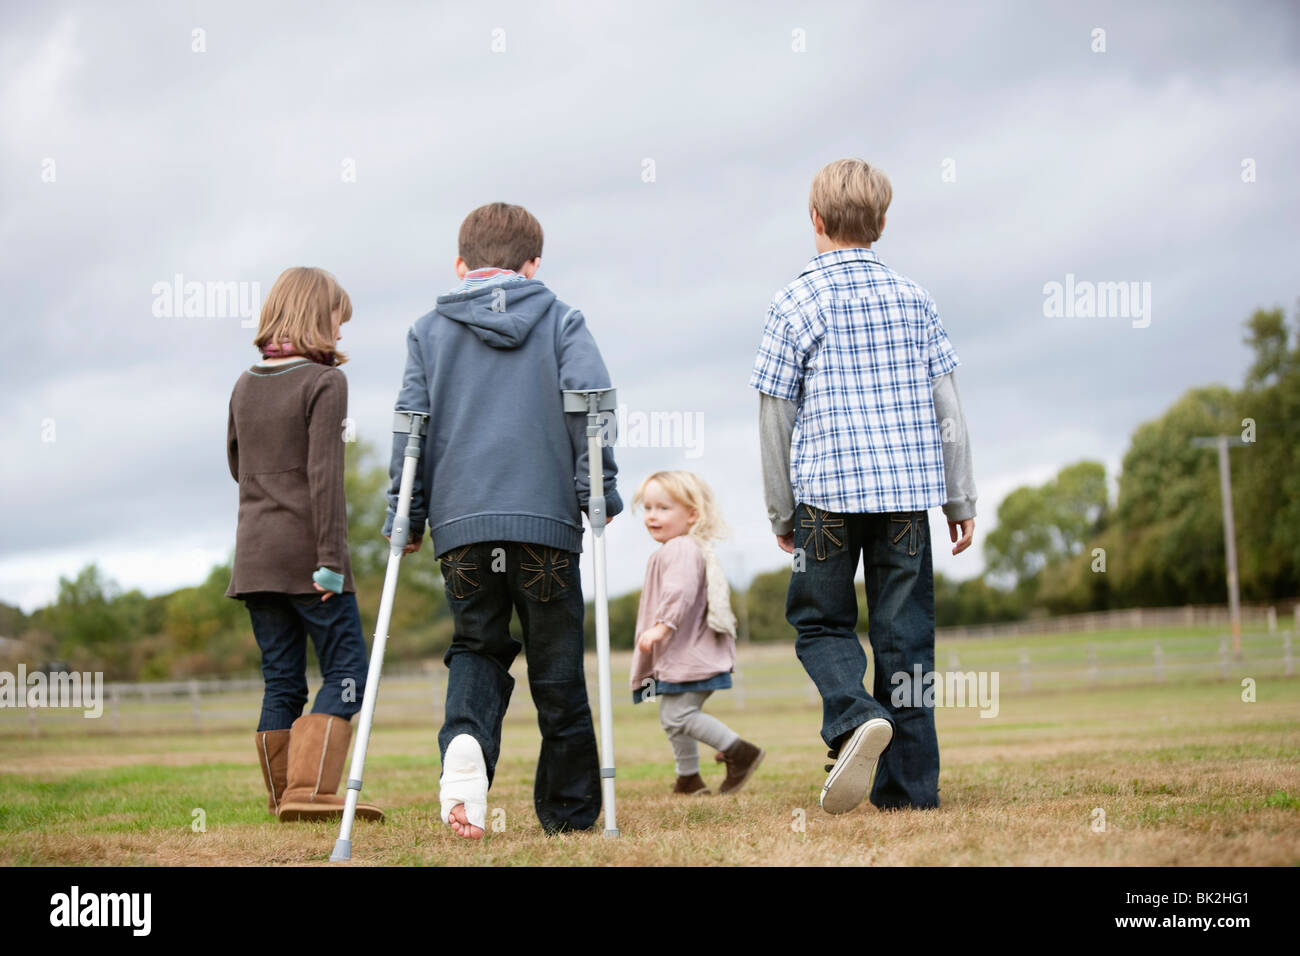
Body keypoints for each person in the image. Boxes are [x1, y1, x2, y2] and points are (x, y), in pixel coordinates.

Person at [382, 202, 622, 839]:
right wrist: (599, 490)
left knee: (478, 648)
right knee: (557, 664)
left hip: (462, 529)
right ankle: (569, 812)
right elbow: (591, 413)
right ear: (533, 264)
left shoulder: (427, 332)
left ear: (460, 265)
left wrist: (404, 517)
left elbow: (411, 430)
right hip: (544, 526)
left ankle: (465, 744)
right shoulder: (563, 320)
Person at [749, 158, 978, 814]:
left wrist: (779, 505)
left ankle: (853, 718)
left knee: (820, 621)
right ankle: (909, 790)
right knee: (906, 637)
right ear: (882, 221)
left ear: (814, 220)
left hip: (825, 497)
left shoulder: (794, 300)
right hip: (907, 498)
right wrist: (959, 498)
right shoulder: (916, 299)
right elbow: (949, 410)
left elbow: (776, 414)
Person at [226, 266, 383, 823]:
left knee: (283, 678)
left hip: (253, 559)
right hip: (309, 560)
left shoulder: (245, 382)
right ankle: (310, 791)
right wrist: (331, 562)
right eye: (338, 322)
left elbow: (238, 466)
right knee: (348, 672)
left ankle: (283, 797)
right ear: (319, 318)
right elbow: (325, 478)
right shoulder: (324, 383)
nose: (340, 336)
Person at [629, 471, 764, 796]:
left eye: (663, 508)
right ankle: (688, 779)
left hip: (688, 652)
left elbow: (680, 591)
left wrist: (663, 626)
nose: (652, 516)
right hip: (683, 654)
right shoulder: (680, 548)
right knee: (673, 715)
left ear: (692, 514)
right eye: (647, 508)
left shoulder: (680, 549)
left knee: (679, 715)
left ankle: (739, 752)